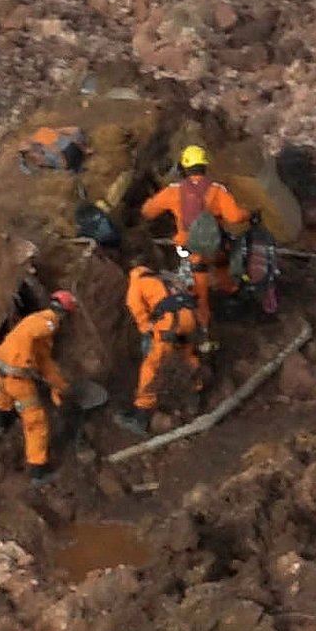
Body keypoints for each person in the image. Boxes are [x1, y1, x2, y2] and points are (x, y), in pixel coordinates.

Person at [138, 145, 252, 327]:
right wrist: (249, 214)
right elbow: (235, 217)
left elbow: (148, 211)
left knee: (199, 291)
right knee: (225, 263)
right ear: (205, 167)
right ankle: (231, 294)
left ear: (184, 168)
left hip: (189, 252)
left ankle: (203, 325)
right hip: (216, 248)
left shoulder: (173, 191)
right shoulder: (217, 190)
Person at [0, 291, 74, 476]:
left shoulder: (34, 318)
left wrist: (58, 384)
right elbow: (39, 351)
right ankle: (38, 469)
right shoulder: (46, 325)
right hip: (16, 378)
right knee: (36, 419)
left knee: (5, 394)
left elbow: (43, 361)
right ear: (65, 314)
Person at [124, 261, 204, 431]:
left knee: (152, 367)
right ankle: (193, 401)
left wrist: (146, 327)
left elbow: (133, 304)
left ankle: (140, 417)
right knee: (187, 358)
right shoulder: (164, 277)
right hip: (190, 321)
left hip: (171, 326)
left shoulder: (136, 279)